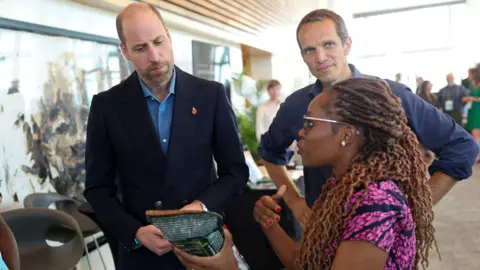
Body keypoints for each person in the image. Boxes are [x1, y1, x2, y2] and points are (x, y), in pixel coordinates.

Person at [174, 78, 440, 269]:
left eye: (310, 124)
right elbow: (307, 263)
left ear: (346, 134)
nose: (300, 133)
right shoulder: (343, 186)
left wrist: (229, 266)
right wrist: (270, 224)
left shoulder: (376, 203)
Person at [258, 9, 478, 229]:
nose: (320, 58)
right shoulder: (296, 106)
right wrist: (295, 202)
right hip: (323, 235)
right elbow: (270, 153)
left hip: (384, 241)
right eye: (309, 50)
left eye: (328, 44)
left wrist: (412, 210)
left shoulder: (392, 95)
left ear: (346, 45)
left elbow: (462, 147)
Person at [84, 3, 249, 269]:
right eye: (140, 48)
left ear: (169, 36)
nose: (155, 56)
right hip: (144, 258)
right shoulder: (106, 106)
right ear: (125, 51)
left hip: (203, 247)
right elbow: (97, 189)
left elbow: (235, 172)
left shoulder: (211, 95)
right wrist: (135, 233)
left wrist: (202, 206)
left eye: (159, 42)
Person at [464, 66, 480, 163]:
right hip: (472, 111)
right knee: (475, 135)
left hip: (478, 111)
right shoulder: (470, 85)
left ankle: (477, 156)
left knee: (476, 135)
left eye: (469, 73)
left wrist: (471, 98)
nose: (468, 75)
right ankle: (477, 155)